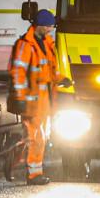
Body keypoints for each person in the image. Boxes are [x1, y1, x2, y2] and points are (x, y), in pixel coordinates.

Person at [8, 9, 61, 185]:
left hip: (44, 99)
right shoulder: (25, 44)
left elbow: (51, 69)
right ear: (41, 26)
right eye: (48, 27)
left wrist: (62, 79)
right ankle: (33, 174)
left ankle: (16, 158)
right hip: (31, 100)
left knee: (41, 137)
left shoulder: (47, 43)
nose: (50, 30)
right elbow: (18, 72)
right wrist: (20, 98)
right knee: (35, 137)